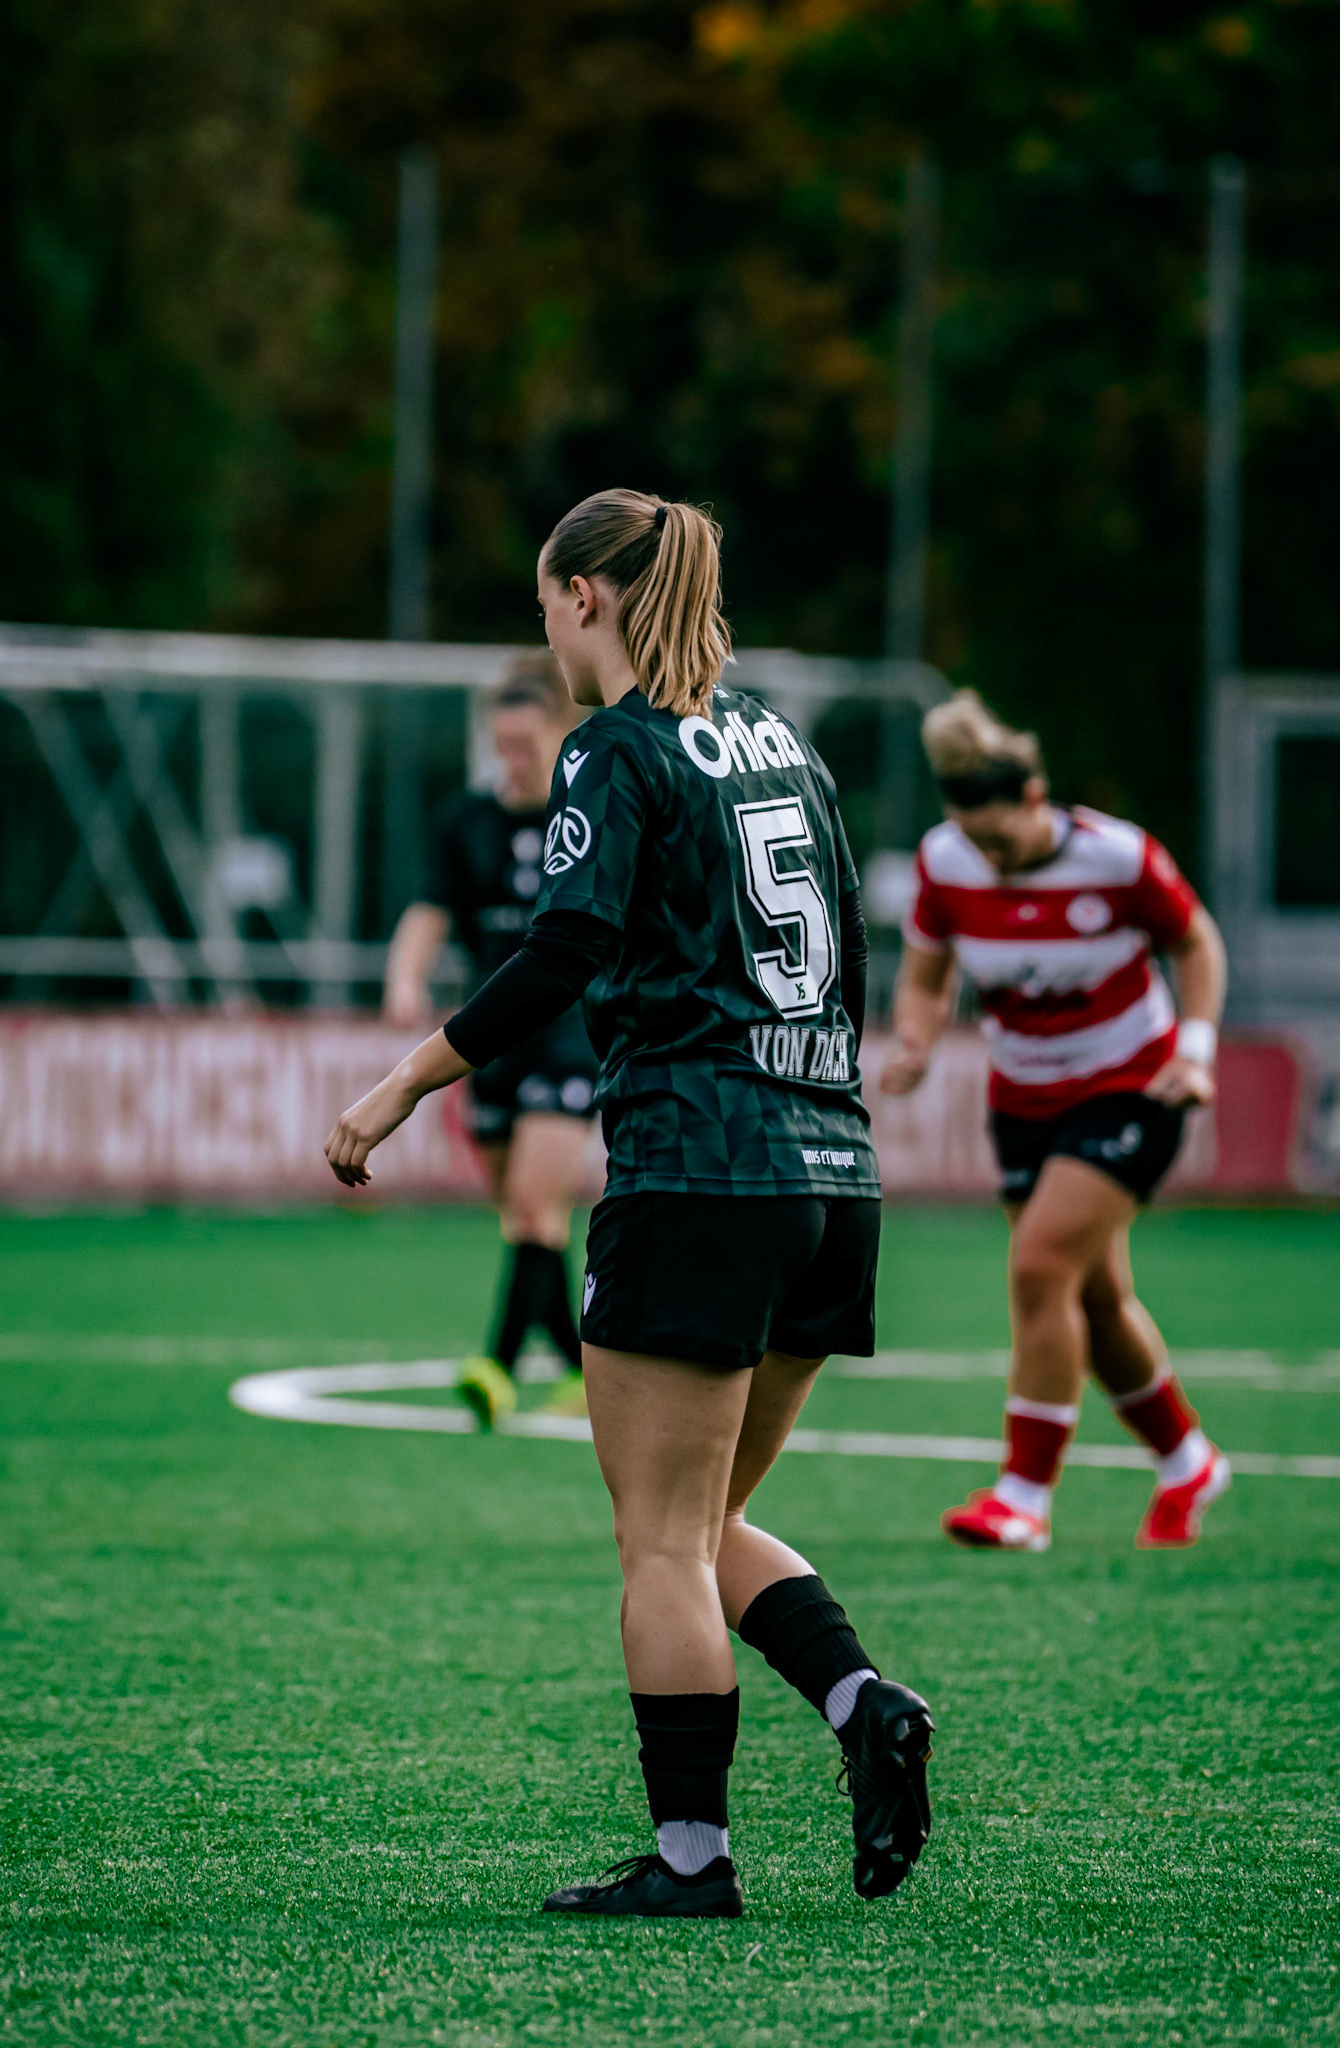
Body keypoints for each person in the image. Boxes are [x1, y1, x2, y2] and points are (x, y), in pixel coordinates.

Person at [327, 488, 933, 1919]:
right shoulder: (785, 739)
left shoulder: (613, 747)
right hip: (830, 1172)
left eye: (547, 600)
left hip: (697, 1167)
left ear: (585, 598)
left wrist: (401, 1083)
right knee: (704, 1514)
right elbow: (844, 948)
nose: (544, 624)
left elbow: (566, 949)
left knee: (658, 1537)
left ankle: (690, 1863)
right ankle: (860, 1705)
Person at [882, 688, 1230, 1552]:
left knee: (1039, 1267)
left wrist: (1193, 1050)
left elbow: (1196, 944)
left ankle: (1022, 1495)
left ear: (1037, 801)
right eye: (973, 841)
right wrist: (916, 1041)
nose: (987, 858)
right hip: (1021, 1098)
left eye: (1000, 839)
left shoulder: (1117, 858)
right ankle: (1187, 1459)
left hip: (1133, 1086)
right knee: (1094, 1295)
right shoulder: (944, 860)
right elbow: (927, 973)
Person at [383, 652, 599, 1427]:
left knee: (536, 1211)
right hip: (488, 1041)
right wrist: (404, 978)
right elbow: (431, 909)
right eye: (500, 746)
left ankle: (497, 1366)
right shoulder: (467, 820)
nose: (511, 761)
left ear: (558, 735)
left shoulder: (586, 814)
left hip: (570, 1036)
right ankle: (584, 1368)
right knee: (524, 1219)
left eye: (526, 746)